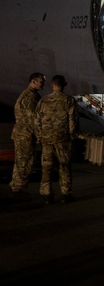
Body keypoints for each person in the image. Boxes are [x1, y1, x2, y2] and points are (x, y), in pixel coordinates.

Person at [35, 74, 79, 204]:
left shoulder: (43, 100)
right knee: (64, 166)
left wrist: (39, 135)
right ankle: (65, 194)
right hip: (63, 139)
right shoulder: (69, 100)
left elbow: (37, 120)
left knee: (47, 167)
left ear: (52, 85)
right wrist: (72, 135)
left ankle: (46, 194)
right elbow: (73, 120)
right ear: (64, 85)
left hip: (47, 139)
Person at [9, 72, 45, 201]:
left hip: (21, 133)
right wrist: (39, 135)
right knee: (25, 162)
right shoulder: (31, 97)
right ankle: (18, 189)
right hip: (26, 134)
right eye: (41, 82)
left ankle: (16, 186)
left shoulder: (26, 95)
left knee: (20, 161)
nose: (43, 84)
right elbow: (34, 119)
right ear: (33, 82)